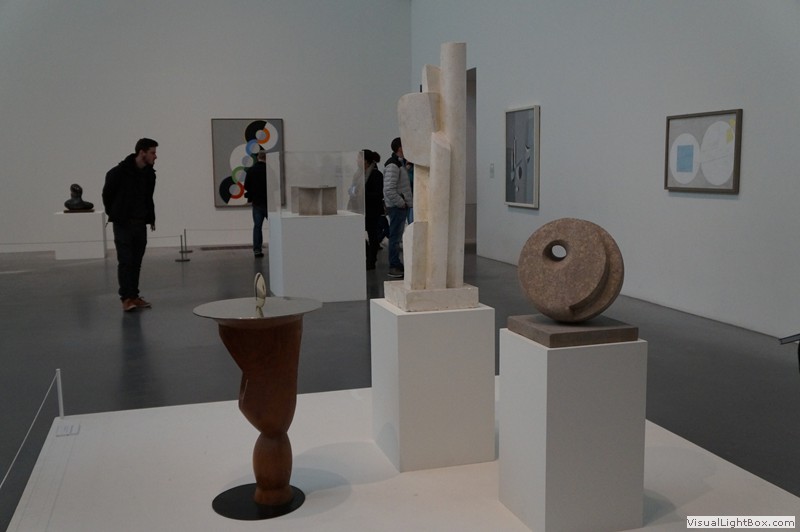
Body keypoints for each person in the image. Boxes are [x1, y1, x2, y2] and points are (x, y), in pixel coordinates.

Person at [102, 138, 158, 312]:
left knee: (136, 262)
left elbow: (148, 197)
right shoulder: (118, 173)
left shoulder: (149, 174)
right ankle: (126, 298)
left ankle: (134, 296)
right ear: (142, 152)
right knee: (126, 261)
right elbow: (107, 196)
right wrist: (116, 214)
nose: (155, 156)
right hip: (123, 225)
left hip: (140, 224)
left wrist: (149, 217)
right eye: (152, 152)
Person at [383, 137, 412, 278]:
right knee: (395, 237)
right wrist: (401, 202)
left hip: (398, 206)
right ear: (400, 148)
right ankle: (394, 266)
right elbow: (389, 189)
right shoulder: (393, 165)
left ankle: (396, 264)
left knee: (396, 236)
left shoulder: (398, 163)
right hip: (396, 207)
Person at [362, 149, 384, 270]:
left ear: (365, 161)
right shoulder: (359, 174)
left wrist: (363, 194)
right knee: (360, 235)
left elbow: (378, 194)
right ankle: (367, 257)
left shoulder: (376, 175)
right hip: (362, 210)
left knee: (372, 236)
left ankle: (371, 261)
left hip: (372, 211)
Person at [244, 150, 267, 258]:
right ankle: (277, 247)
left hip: (257, 202)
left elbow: (246, 186)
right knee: (274, 226)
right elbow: (275, 185)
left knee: (257, 227)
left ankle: (257, 250)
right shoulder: (269, 170)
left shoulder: (251, 170)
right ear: (266, 158)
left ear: (258, 157)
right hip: (268, 202)